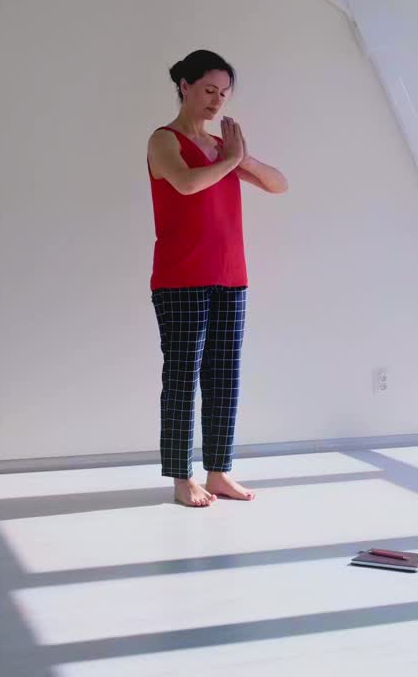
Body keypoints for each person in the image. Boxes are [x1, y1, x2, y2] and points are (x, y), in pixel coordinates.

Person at [146, 50, 288, 507]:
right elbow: (187, 184)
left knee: (224, 377)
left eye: (224, 93)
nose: (216, 101)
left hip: (230, 275)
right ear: (184, 86)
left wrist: (238, 158)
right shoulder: (163, 140)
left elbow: (278, 183)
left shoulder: (221, 150)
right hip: (181, 277)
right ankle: (181, 478)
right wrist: (229, 160)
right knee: (183, 377)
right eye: (208, 90)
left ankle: (219, 471)